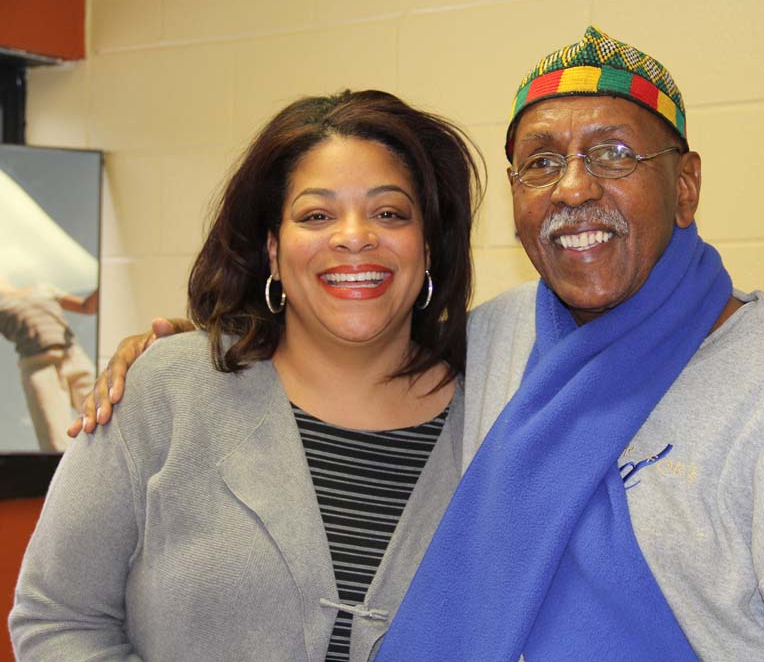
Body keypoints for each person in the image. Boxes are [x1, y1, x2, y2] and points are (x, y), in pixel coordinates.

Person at [63, 27, 764, 660]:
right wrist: (183, 352)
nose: (574, 187)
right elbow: (336, 346)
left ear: (686, 186)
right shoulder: (488, 349)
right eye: (541, 161)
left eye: (616, 154)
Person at [10, 89, 481, 661]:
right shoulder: (164, 390)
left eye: (389, 213)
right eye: (316, 215)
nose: (355, 236)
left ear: (428, 246)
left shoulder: (492, 413)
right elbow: (57, 617)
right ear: (273, 251)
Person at [0, 277, 97, 451]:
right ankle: (63, 475)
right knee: (55, 437)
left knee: (103, 414)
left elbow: (86, 307)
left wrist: (107, 282)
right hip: (38, 366)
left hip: (72, 356)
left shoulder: (42, 288)